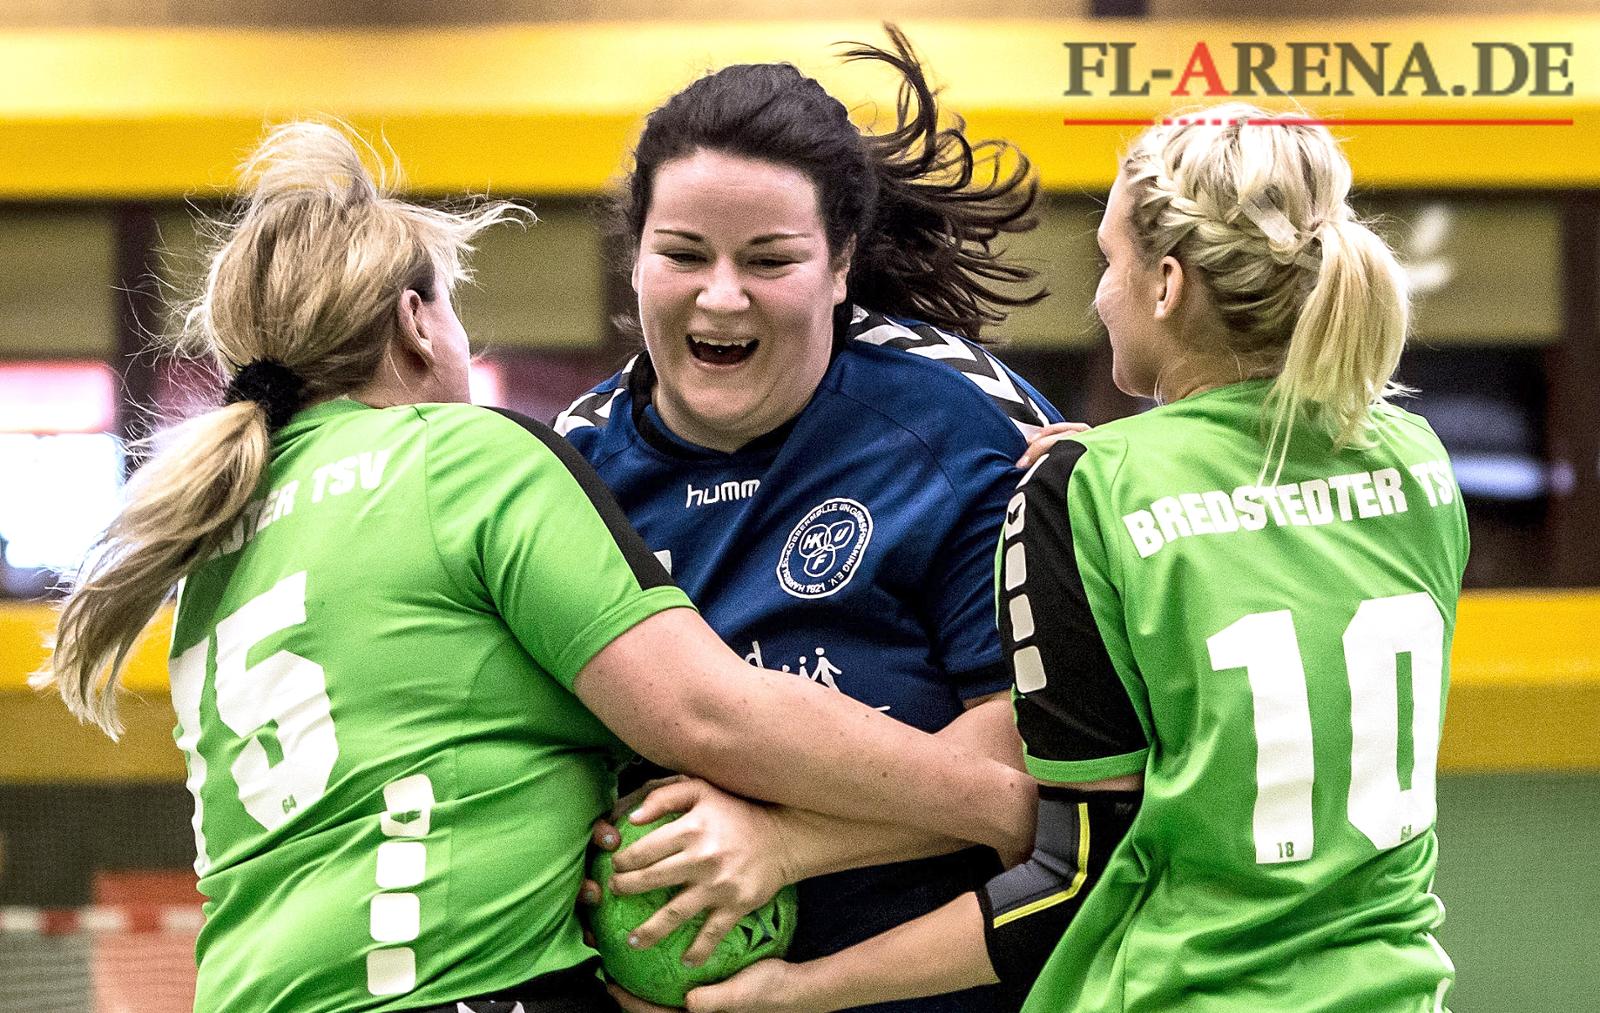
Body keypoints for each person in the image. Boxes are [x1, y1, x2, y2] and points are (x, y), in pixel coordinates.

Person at [32, 122, 1040, 1013]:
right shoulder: (460, 456)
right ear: (416, 321)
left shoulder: (221, 530)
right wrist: (1000, 802)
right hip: (452, 989)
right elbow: (706, 712)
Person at [684, 104, 1470, 1012]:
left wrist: (797, 991)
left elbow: (1068, 871)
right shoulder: (1416, 458)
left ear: (1167, 285)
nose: (1100, 297)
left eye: (1109, 261)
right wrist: (1131, 460)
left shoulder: (1085, 488)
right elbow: (1268, 525)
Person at [556, 29, 1065, 1012]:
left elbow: (1036, 764)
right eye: (682, 254)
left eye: (770, 259)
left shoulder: (956, 424)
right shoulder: (565, 477)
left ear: (839, 264)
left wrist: (785, 843)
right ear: (635, 260)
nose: (721, 295)